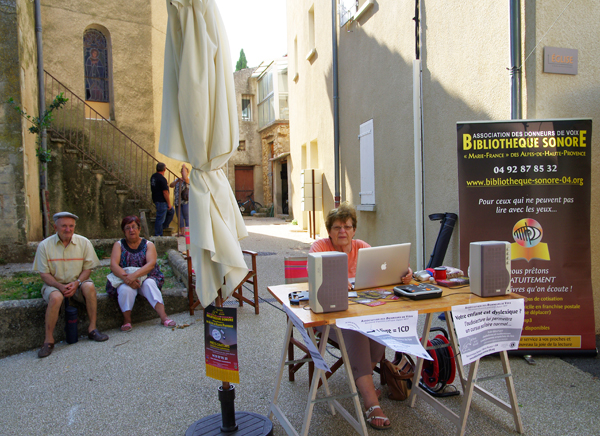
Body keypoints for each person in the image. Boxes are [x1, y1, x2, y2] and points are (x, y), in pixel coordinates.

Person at [309, 203, 413, 430]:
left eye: (347, 226)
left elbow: (385, 273)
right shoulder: (319, 247)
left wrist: (405, 274)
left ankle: (362, 381)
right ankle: (371, 403)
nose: (342, 231)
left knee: (377, 331)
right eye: (337, 227)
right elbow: (314, 280)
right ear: (329, 231)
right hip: (329, 319)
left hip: (363, 312)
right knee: (356, 331)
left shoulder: (363, 247)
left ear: (354, 229)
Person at [33, 212, 109, 358]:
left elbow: (88, 269)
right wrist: (60, 287)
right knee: (55, 298)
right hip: (55, 284)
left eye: (71, 226)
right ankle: (48, 340)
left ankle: (92, 329)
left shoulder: (83, 242)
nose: (68, 229)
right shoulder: (44, 245)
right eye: (64, 226)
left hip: (78, 282)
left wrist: (77, 283)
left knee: (90, 287)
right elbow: (44, 274)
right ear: (55, 227)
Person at [106, 216, 176, 331]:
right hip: (124, 278)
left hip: (147, 276)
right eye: (127, 228)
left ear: (139, 229)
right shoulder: (118, 245)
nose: (131, 230)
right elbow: (114, 265)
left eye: (134, 227)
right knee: (125, 290)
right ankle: (127, 320)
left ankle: (164, 317)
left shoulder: (148, 245)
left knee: (149, 284)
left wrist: (134, 276)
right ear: (124, 231)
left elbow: (151, 264)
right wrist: (128, 279)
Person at [150, 162, 174, 236]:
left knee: (171, 211)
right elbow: (165, 192)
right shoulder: (162, 179)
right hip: (162, 201)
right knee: (160, 218)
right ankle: (158, 234)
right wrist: (169, 203)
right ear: (164, 169)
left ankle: (164, 227)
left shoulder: (153, 177)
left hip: (156, 199)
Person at [169, 164, 190, 236]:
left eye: (184, 171)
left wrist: (183, 167)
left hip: (185, 201)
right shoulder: (178, 179)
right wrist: (177, 180)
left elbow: (185, 177)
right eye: (181, 171)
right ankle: (182, 232)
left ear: (187, 172)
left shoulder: (188, 179)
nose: (182, 172)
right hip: (178, 202)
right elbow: (171, 185)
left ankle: (188, 232)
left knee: (186, 217)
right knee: (180, 217)